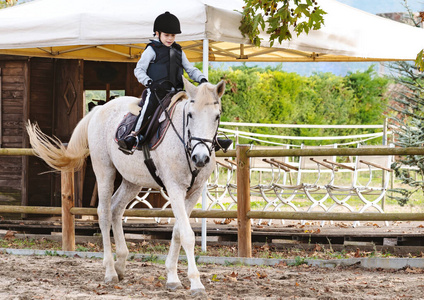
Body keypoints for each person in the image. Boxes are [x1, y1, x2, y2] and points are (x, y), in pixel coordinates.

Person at [117, 11, 232, 154]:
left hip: (177, 93)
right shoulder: (152, 50)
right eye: (166, 35)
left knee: (201, 110)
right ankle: (133, 136)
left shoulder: (178, 51)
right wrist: (149, 82)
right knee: (148, 108)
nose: (170, 38)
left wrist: (201, 78)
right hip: (156, 92)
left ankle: (212, 140)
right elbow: (139, 70)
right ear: (157, 33)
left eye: (173, 35)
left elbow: (190, 69)